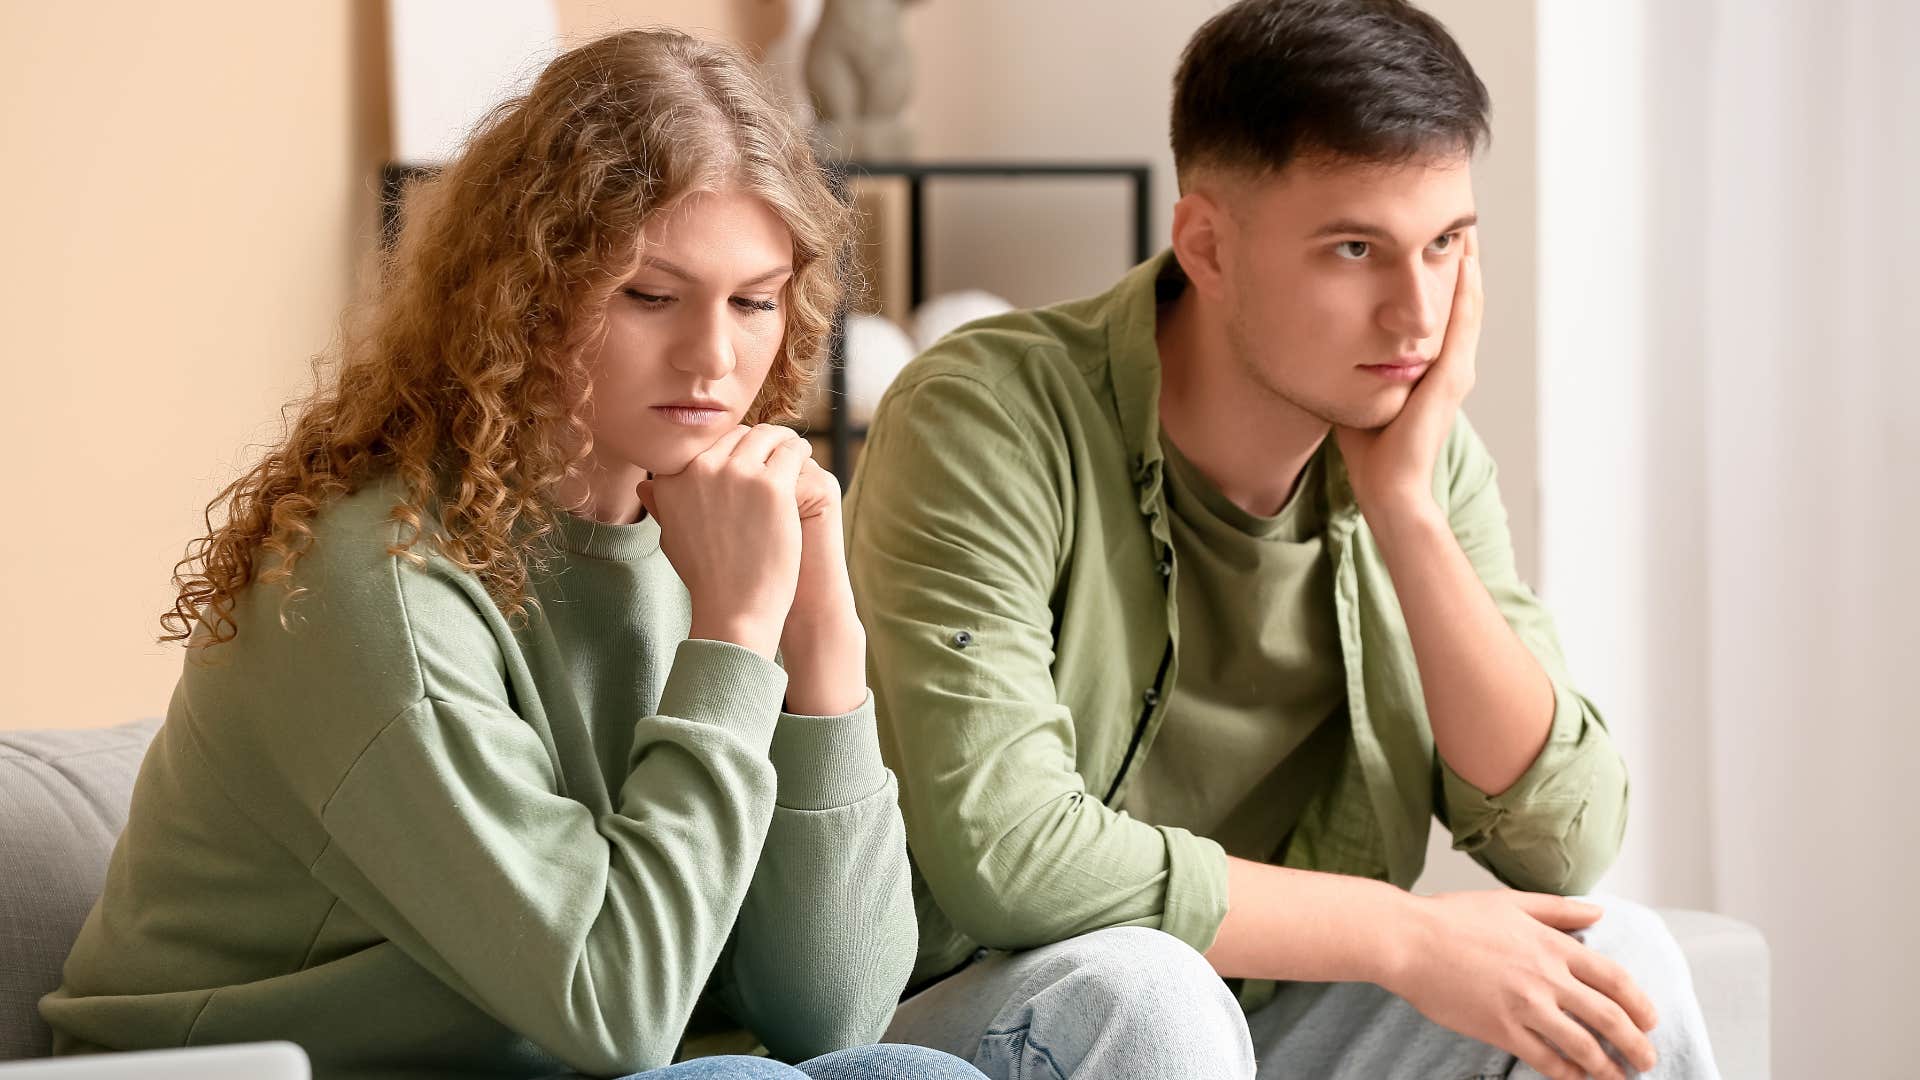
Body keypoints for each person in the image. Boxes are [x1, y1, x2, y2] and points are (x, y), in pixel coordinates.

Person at [41, 29, 982, 1080]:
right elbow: (614, 1009)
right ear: (524, 291)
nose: (715, 358)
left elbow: (837, 1010)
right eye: (649, 295)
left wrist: (820, 643)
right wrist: (732, 637)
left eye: (754, 301)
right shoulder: (375, 585)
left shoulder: (710, 534)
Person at [847, 2, 1723, 1077]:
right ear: (1208, 244)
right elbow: (1010, 858)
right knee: (1153, 996)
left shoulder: (1421, 449)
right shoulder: (984, 418)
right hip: (1007, 1011)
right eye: (1357, 249)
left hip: (1277, 1018)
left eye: (1446, 244)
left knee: (1620, 963)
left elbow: (1565, 840)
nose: (1415, 317)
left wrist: (1405, 511)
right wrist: (1404, 936)